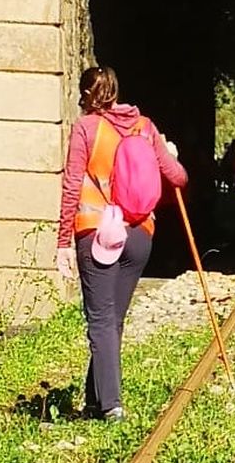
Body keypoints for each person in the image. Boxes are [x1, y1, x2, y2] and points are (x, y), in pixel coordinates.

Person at [56, 66, 185, 423]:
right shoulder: (144, 127)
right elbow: (178, 176)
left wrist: (63, 241)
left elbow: (71, 185)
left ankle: (111, 406)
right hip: (140, 234)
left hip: (98, 232)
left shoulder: (86, 128)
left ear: (85, 95)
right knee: (113, 320)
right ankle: (95, 400)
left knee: (100, 320)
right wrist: (170, 154)